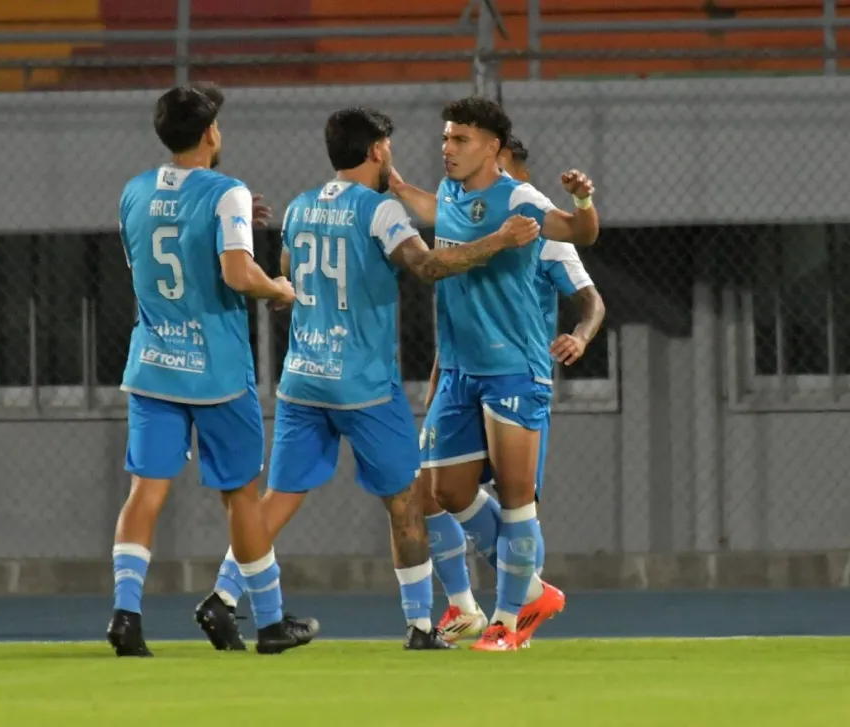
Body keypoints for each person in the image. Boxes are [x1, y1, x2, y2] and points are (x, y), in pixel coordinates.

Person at [192, 107, 542, 651]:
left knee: (279, 497)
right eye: (389, 148)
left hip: (302, 379)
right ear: (377, 150)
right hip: (363, 385)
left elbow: (287, 272)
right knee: (407, 502)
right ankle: (421, 625)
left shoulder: (300, 207)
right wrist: (497, 241)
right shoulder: (379, 211)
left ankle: (223, 594)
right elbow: (427, 266)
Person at [108, 83, 318, 657]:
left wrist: (232, 222)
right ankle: (270, 623)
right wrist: (279, 289)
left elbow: (152, 260)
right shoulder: (227, 192)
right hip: (216, 372)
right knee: (241, 496)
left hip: (153, 365)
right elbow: (236, 273)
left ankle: (126, 616)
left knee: (145, 492)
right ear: (209, 134)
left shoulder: (134, 191)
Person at [389, 96, 600, 651]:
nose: (447, 147)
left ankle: (508, 619)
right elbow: (430, 207)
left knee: (515, 496)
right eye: (446, 138)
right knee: (446, 490)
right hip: (459, 370)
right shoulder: (452, 194)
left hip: (513, 369)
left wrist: (582, 199)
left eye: (459, 139)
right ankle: (528, 588)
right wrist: (393, 181)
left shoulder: (521, 198)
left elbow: (580, 233)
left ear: (492, 147)